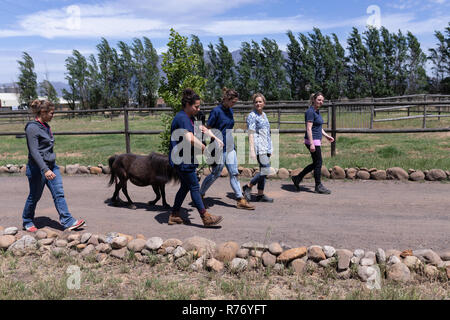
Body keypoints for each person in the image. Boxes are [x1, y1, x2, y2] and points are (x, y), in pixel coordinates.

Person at [22, 99, 85, 232]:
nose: (53, 115)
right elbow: (34, 152)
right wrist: (45, 169)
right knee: (34, 196)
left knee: (59, 194)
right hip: (37, 169)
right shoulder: (32, 128)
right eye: (51, 113)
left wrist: (50, 166)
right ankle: (27, 220)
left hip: (51, 166)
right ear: (43, 112)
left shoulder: (46, 126)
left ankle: (68, 221)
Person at [168, 89, 224, 226]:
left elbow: (203, 129)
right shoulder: (182, 118)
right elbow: (189, 138)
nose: (198, 109)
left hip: (187, 158)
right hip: (183, 159)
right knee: (194, 186)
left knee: (186, 187)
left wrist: (216, 138)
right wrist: (206, 149)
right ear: (187, 104)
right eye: (196, 106)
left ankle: (174, 215)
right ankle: (205, 217)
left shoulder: (191, 118)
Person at [199, 88, 255, 210]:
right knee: (216, 174)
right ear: (226, 99)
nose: (234, 104)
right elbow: (207, 129)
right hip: (218, 147)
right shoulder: (216, 111)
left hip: (230, 146)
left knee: (234, 173)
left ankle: (240, 199)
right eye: (233, 102)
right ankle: (200, 194)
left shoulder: (230, 110)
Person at [291, 92, 334, 194]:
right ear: (314, 100)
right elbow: (309, 129)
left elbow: (318, 127)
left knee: (316, 163)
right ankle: (318, 185)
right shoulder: (310, 112)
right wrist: (311, 144)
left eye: (322, 100)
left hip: (316, 140)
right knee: (318, 163)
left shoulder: (317, 111)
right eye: (319, 100)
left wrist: (326, 136)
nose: (321, 102)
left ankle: (297, 178)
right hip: (312, 140)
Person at [242, 93, 273, 202]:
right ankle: (248, 186)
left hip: (266, 146)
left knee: (263, 170)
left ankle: (260, 194)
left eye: (260, 101)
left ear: (264, 103)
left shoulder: (264, 115)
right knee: (265, 169)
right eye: (256, 102)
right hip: (259, 146)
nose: (258, 103)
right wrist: (252, 150)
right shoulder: (252, 115)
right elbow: (251, 133)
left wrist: (271, 147)